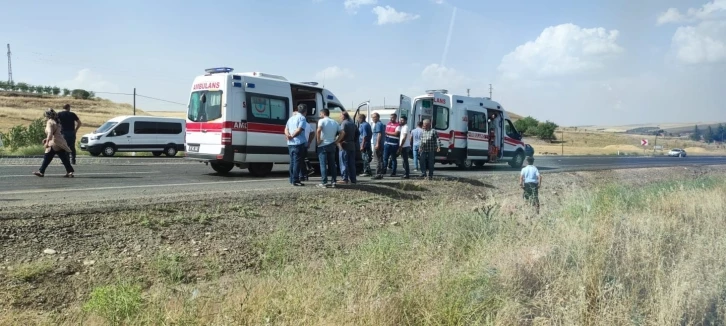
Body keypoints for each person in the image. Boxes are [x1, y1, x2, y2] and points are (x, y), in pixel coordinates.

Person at [33, 108, 75, 178]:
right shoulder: (57, 122)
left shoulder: (50, 122)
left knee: (47, 157)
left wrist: (47, 142)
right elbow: (56, 133)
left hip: (53, 142)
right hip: (59, 141)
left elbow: (50, 133)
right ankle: (70, 172)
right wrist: (47, 139)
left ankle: (41, 171)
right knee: (64, 158)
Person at [284, 103, 309, 186]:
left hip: (290, 144)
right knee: (297, 163)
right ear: (305, 111)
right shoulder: (302, 118)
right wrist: (292, 136)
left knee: (292, 162)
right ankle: (295, 180)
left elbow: (286, 129)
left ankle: (291, 179)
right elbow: (299, 129)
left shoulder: (291, 118)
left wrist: (288, 136)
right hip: (298, 143)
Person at [316, 108, 340, 188]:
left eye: (320, 114)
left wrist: (318, 140)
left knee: (323, 164)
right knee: (332, 164)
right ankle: (333, 182)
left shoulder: (321, 121)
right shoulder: (335, 122)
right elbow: (342, 132)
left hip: (323, 145)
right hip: (332, 144)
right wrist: (337, 141)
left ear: (323, 114)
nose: (320, 115)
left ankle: (324, 182)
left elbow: (319, 130)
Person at [336, 111, 358, 184]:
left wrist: (338, 141)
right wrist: (354, 141)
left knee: (344, 162)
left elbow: (343, 133)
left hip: (344, 145)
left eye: (340, 116)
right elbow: (358, 134)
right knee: (351, 163)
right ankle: (353, 179)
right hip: (352, 145)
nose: (340, 117)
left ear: (344, 116)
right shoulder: (353, 124)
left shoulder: (344, 124)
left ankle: (345, 178)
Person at [299, 116, 316, 181]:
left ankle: (302, 175)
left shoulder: (301, 124)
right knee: (304, 159)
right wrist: (309, 142)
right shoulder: (308, 125)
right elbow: (313, 133)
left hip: (300, 143)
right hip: (305, 143)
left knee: (300, 160)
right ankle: (306, 174)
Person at [370, 113, 385, 180]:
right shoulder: (379, 124)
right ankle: (380, 173)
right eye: (372, 117)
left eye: (374, 117)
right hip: (379, 143)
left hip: (378, 144)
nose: (373, 119)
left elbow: (379, 134)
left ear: (378, 117)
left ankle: (378, 174)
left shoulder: (378, 124)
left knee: (377, 159)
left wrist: (377, 143)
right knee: (380, 159)